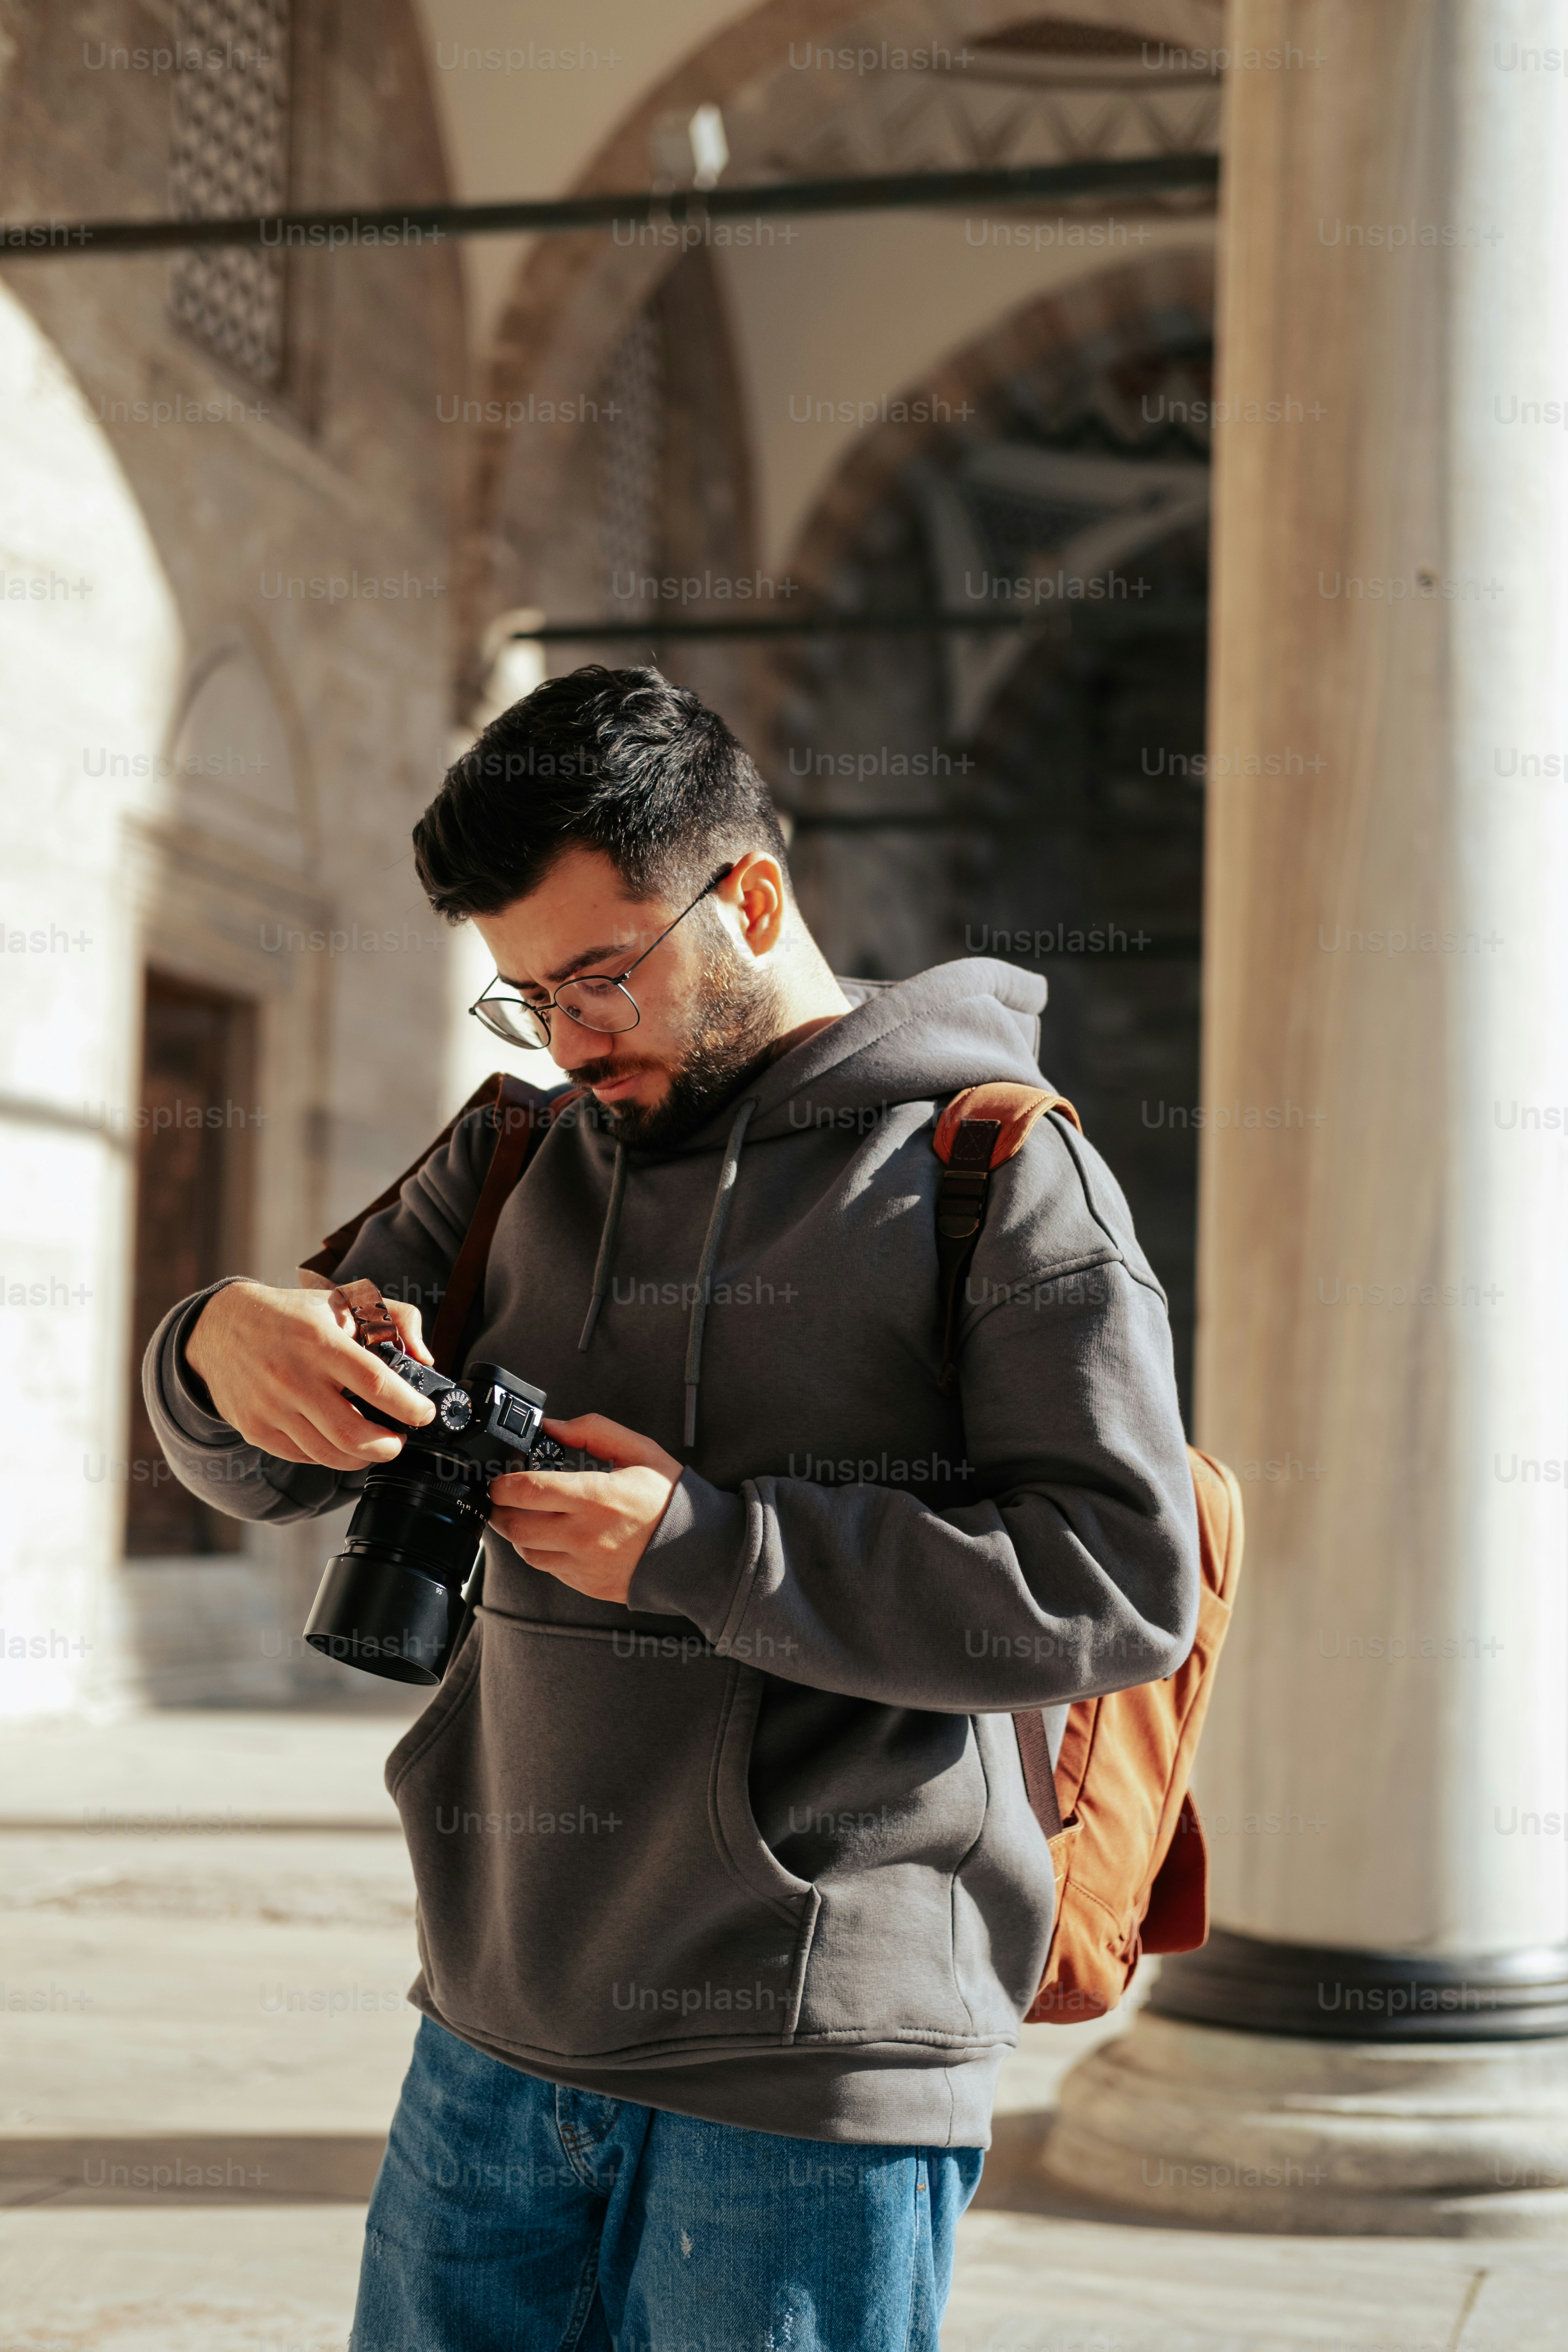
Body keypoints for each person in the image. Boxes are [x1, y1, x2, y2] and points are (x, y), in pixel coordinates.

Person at [143, 666, 1199, 2352]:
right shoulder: (510, 1154)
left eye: (598, 978)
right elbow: (263, 1457)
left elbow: (1113, 1584)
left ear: (750, 898)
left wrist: (706, 1547)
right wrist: (214, 1347)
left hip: (814, 2058)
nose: (568, 1039)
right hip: (492, 2025)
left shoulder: (992, 1172)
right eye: (523, 998)